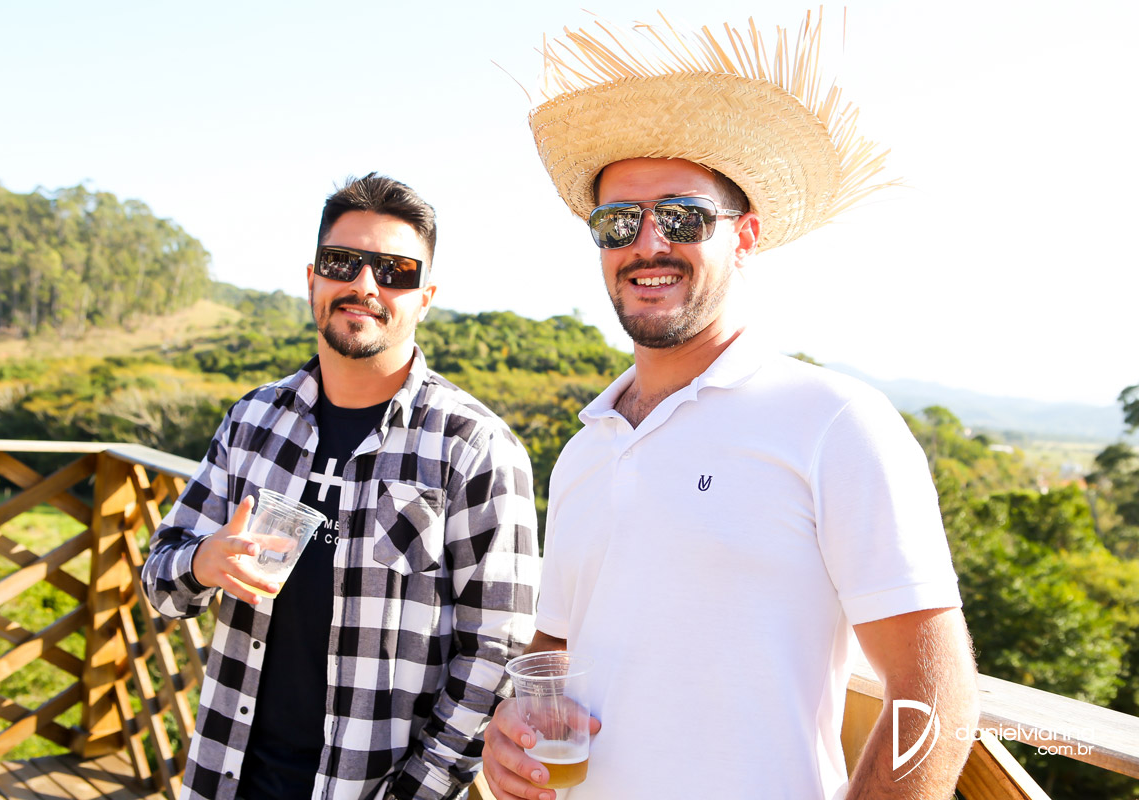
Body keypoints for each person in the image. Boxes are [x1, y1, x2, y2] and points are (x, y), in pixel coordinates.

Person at [483, 13, 980, 800]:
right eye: (618, 221)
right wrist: (510, 729)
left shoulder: (835, 423)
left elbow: (936, 696)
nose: (648, 244)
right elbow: (557, 653)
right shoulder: (586, 450)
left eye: (682, 216)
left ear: (745, 236)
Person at [141, 173, 540, 800]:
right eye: (341, 263)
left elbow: (497, 653)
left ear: (426, 298)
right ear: (312, 281)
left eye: (396, 271)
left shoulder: (474, 447)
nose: (365, 285)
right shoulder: (253, 421)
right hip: (227, 775)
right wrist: (202, 562)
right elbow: (160, 585)